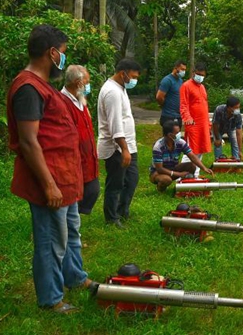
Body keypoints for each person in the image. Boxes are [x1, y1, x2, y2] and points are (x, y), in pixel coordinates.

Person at [6, 24, 92, 313]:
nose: (63, 59)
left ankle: (75, 277)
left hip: (65, 180)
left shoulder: (42, 86)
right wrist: (49, 185)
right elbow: (29, 142)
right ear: (52, 53)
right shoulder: (28, 88)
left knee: (70, 233)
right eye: (63, 53)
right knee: (50, 241)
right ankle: (51, 298)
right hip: (50, 182)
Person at [98, 58, 141, 228]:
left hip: (128, 145)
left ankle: (122, 211)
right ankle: (111, 218)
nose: (134, 80)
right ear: (123, 73)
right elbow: (114, 123)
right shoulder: (112, 92)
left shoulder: (120, 88)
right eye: (133, 76)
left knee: (131, 179)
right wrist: (124, 149)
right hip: (117, 148)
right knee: (115, 183)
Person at [61, 65, 99, 215]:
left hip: (87, 162)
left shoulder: (80, 100)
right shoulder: (62, 103)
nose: (88, 86)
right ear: (78, 83)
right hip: (72, 165)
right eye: (87, 82)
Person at [149, 120, 214, 192]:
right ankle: (160, 188)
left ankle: (185, 188)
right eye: (177, 133)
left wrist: (204, 168)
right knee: (166, 180)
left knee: (191, 166)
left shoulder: (180, 142)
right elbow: (159, 169)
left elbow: (192, 156)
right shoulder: (158, 147)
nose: (179, 134)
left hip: (173, 168)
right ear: (170, 135)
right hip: (158, 173)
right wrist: (179, 174)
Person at [179, 62, 211, 176]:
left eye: (202, 75)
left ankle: (195, 175)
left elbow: (205, 106)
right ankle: (182, 176)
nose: (200, 76)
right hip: (193, 124)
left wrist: (208, 124)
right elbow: (183, 105)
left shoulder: (202, 87)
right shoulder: (186, 86)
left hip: (203, 125)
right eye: (198, 74)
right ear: (193, 73)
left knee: (201, 150)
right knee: (191, 151)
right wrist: (188, 119)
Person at [156, 60, 186, 129]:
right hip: (169, 116)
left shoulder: (180, 80)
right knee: (169, 138)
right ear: (176, 68)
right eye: (182, 69)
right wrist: (163, 104)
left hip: (178, 116)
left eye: (184, 70)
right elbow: (159, 97)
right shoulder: (167, 80)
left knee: (177, 138)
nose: (183, 72)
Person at [212, 96, 243, 160]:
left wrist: (240, 151)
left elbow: (239, 132)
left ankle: (236, 159)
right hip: (218, 129)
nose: (238, 109)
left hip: (231, 129)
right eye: (236, 108)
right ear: (229, 107)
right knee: (218, 144)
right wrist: (217, 139)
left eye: (238, 107)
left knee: (235, 143)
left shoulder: (238, 115)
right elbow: (215, 124)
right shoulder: (219, 110)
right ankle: (218, 160)